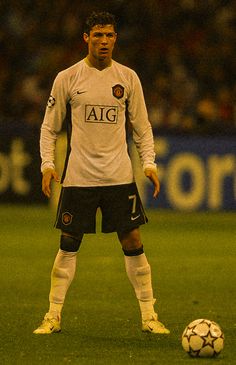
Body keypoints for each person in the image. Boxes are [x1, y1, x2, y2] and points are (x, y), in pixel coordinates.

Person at [34, 11, 169, 335]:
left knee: (133, 239)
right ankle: (53, 316)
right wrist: (48, 164)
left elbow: (142, 128)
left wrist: (148, 163)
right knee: (69, 242)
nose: (104, 41)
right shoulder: (68, 78)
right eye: (98, 35)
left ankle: (149, 316)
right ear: (86, 38)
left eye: (109, 35)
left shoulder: (128, 78)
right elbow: (49, 128)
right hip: (79, 176)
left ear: (116, 38)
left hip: (118, 176)